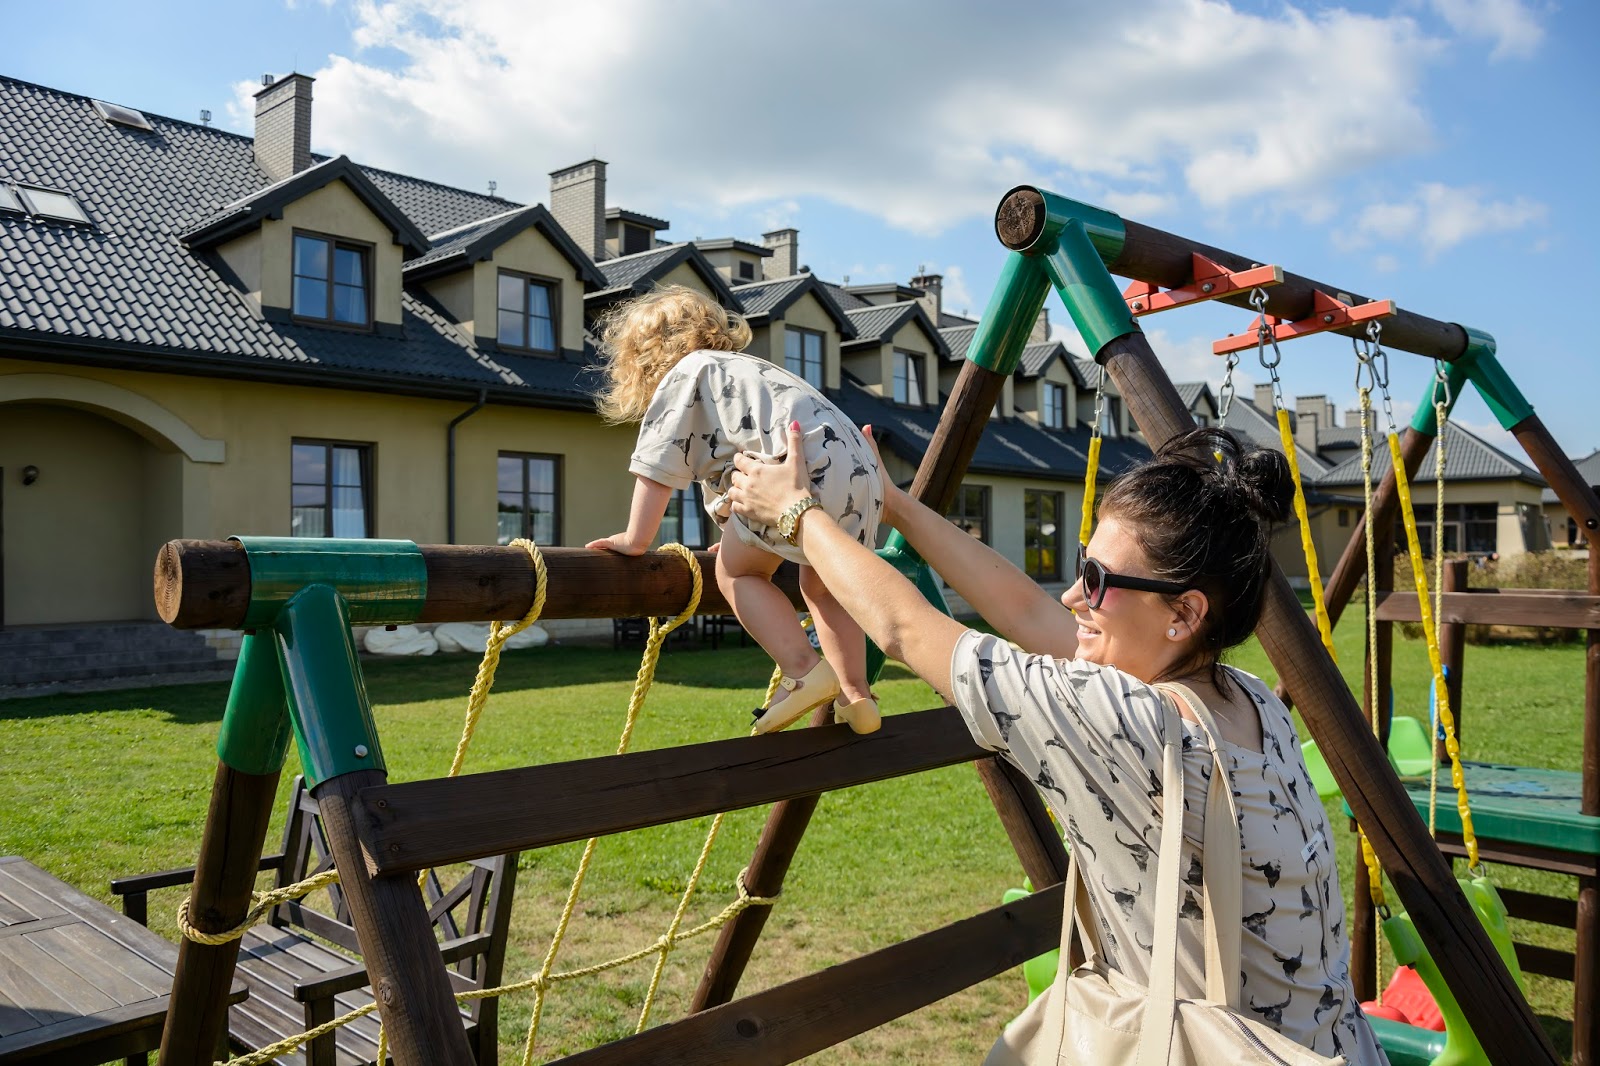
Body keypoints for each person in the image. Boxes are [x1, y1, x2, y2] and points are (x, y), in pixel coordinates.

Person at [727, 423, 1388, 1063]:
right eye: (1081, 568)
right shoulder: (1250, 699)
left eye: (1096, 581)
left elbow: (904, 629)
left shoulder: (1127, 720)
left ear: (1184, 613)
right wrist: (894, 504)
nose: (1073, 595)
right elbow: (1025, 611)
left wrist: (798, 515)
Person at [586, 285, 883, 735]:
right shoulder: (748, 371)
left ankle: (802, 669)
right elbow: (748, 453)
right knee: (822, 588)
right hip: (859, 476)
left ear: (643, 360)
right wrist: (736, 535)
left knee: (739, 573)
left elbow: (657, 465)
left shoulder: (685, 374)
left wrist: (635, 539)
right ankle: (856, 694)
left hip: (797, 475)